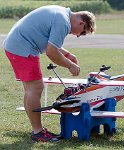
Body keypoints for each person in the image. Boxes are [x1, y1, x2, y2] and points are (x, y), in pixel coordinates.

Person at [3, 5, 96, 142]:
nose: (77, 35)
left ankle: (36, 130)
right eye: (82, 32)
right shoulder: (64, 23)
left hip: (16, 45)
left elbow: (49, 41)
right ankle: (38, 132)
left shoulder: (62, 13)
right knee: (36, 88)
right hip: (22, 47)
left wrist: (67, 54)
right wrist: (70, 65)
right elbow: (51, 52)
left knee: (30, 90)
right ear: (81, 23)